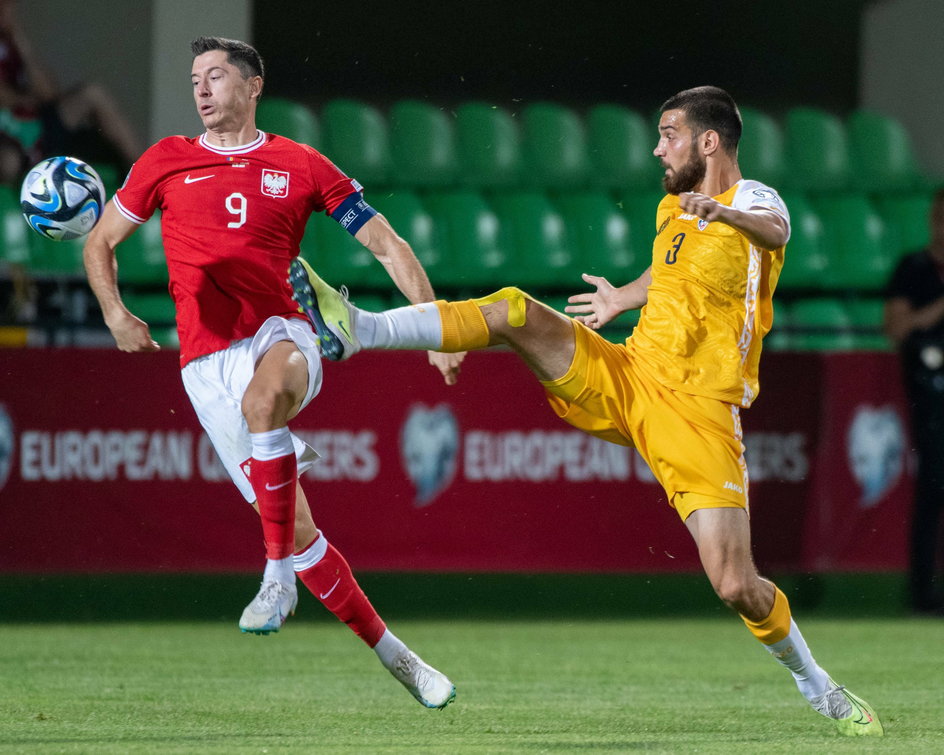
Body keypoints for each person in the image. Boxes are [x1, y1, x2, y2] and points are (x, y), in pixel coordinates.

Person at [290, 86, 885, 736]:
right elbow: (670, 271)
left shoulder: (752, 201)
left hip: (699, 416)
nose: (658, 147)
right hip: (628, 375)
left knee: (736, 583)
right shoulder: (671, 209)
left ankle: (817, 684)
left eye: (670, 133)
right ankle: (360, 327)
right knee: (516, 309)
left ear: (710, 141)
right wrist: (624, 297)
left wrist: (722, 211)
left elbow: (777, 231)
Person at [82, 36, 459, 709]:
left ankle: (274, 572)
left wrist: (438, 324)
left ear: (254, 86)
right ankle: (401, 659)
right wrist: (114, 313)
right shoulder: (165, 160)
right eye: (195, 78)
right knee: (304, 532)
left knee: (265, 405)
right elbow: (100, 240)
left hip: (280, 331)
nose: (201, 89)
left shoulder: (300, 163)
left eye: (216, 75)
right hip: (204, 367)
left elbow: (385, 243)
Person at [0, 0, 143, 184]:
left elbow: (49, 94)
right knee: (8, 162)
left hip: (36, 126)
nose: (5, 10)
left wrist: (19, 40)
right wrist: (25, 98)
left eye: (8, 5)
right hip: (6, 134)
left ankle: (144, 178)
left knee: (93, 94)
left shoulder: (12, 42)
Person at [884, 187, 944, 615]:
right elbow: (898, 328)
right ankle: (922, 593)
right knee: (933, 488)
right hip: (930, 393)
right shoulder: (914, 268)